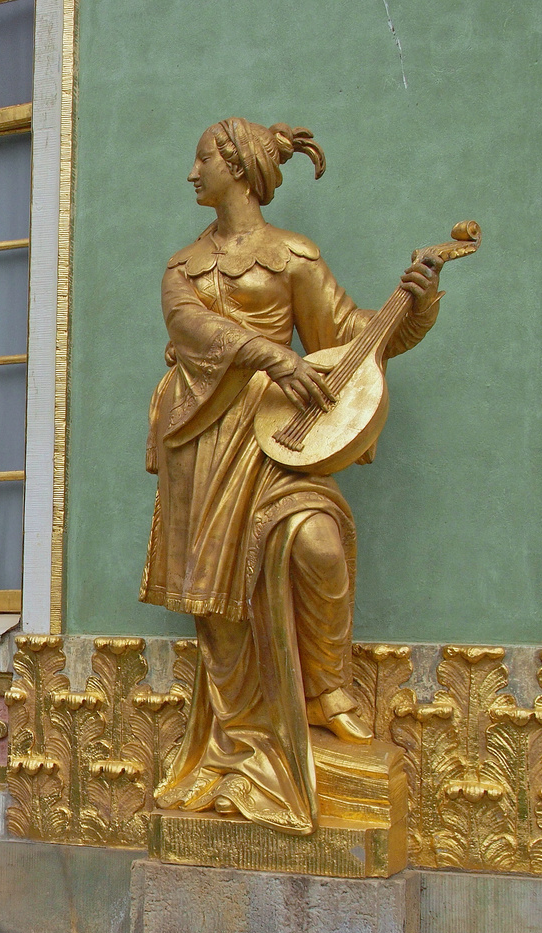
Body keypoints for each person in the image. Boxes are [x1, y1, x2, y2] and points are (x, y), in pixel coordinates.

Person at [142, 119, 441, 834]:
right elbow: (191, 332)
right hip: (205, 443)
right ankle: (239, 738)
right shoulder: (182, 269)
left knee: (317, 543)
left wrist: (416, 300)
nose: (191, 172)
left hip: (281, 441)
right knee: (218, 604)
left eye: (202, 158)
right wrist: (273, 357)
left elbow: (351, 338)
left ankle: (325, 692)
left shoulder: (292, 257)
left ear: (238, 169)